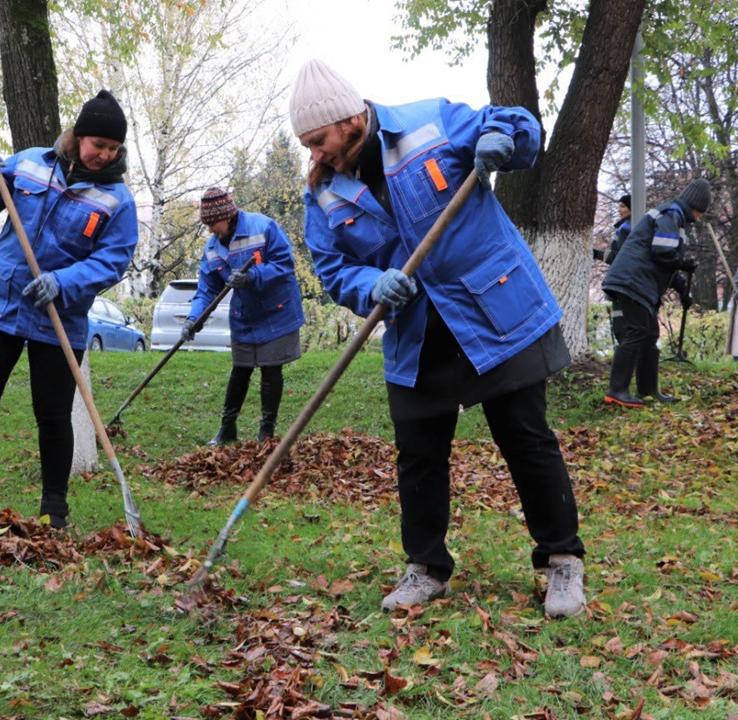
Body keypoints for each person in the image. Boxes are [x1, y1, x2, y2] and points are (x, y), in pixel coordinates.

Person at [289, 59, 586, 618]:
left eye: (319, 140)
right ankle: (426, 568)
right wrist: (371, 284)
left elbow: (517, 125)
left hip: (492, 312)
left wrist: (505, 138)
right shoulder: (323, 193)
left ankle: (562, 560)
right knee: (419, 455)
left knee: (525, 438)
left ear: (349, 120)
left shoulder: (429, 122)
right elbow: (333, 269)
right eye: (308, 145)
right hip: (417, 333)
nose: (317, 154)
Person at [0, 89, 138, 530]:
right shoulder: (30, 162)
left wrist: (63, 283)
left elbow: (113, 261)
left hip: (59, 316)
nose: (105, 155)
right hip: (0, 303)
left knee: (53, 414)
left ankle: (55, 511)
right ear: (79, 135)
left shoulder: (117, 200)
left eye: (113, 149)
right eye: (99, 145)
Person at [182, 187, 306, 444]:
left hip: (277, 311)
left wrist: (252, 276)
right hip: (245, 316)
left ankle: (266, 432)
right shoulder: (212, 248)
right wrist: (194, 319)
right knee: (240, 369)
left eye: (213, 224)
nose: (211, 230)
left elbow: (284, 265)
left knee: (271, 370)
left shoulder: (263, 227)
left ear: (228, 215)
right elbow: (206, 290)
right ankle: (227, 428)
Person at [601, 179, 709, 407]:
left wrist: (682, 289)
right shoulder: (671, 214)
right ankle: (617, 390)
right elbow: (663, 252)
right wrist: (682, 263)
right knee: (637, 330)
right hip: (633, 281)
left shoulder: (676, 217)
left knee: (650, 334)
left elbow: (667, 262)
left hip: (639, 282)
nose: (699, 217)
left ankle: (648, 390)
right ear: (695, 206)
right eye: (700, 212)